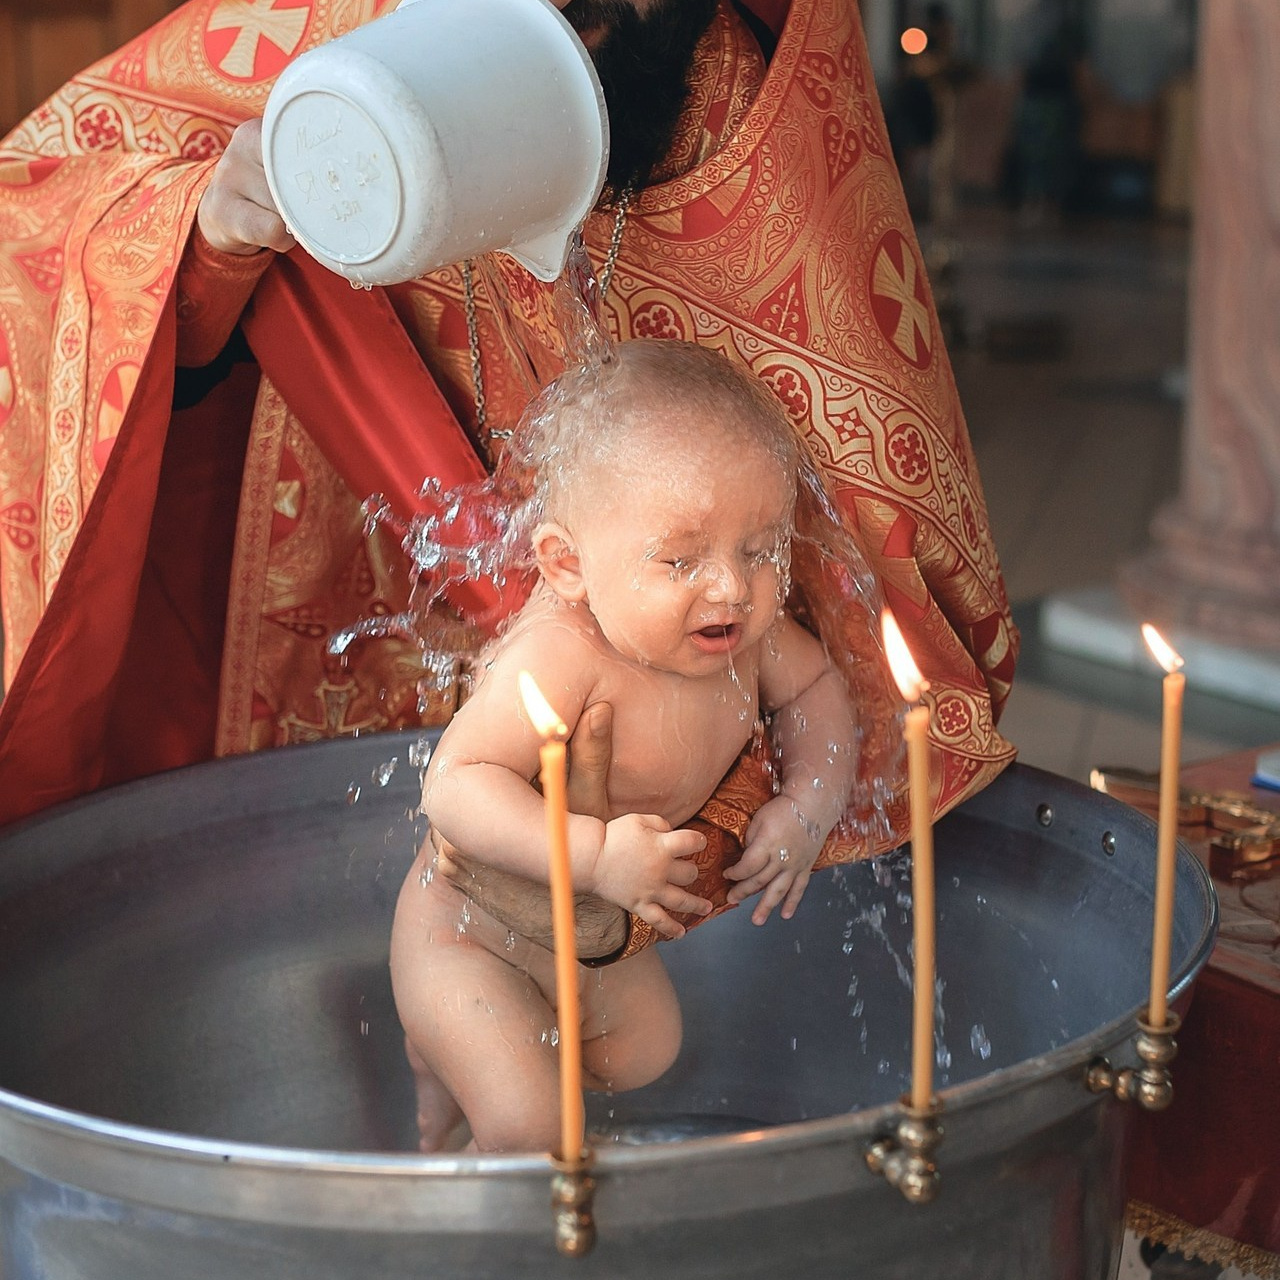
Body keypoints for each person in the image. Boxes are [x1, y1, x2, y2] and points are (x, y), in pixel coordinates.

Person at [0, 0, 1018, 961]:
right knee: (367, 994)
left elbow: (860, 578)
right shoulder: (333, 35)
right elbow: (36, 213)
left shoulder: (734, 113)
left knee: (639, 1048)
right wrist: (208, 230)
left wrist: (754, 804)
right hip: (330, 621)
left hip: (675, 754)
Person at [391, 339, 858, 1151]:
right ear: (568, 566)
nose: (731, 588)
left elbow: (819, 695)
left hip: (589, 927)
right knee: (533, 1128)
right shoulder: (560, 653)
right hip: (469, 930)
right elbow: (455, 785)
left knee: (646, 1053)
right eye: (680, 560)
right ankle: (457, 1138)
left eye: (760, 549)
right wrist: (595, 853)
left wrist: (806, 806)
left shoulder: (749, 635)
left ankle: (487, 1071)